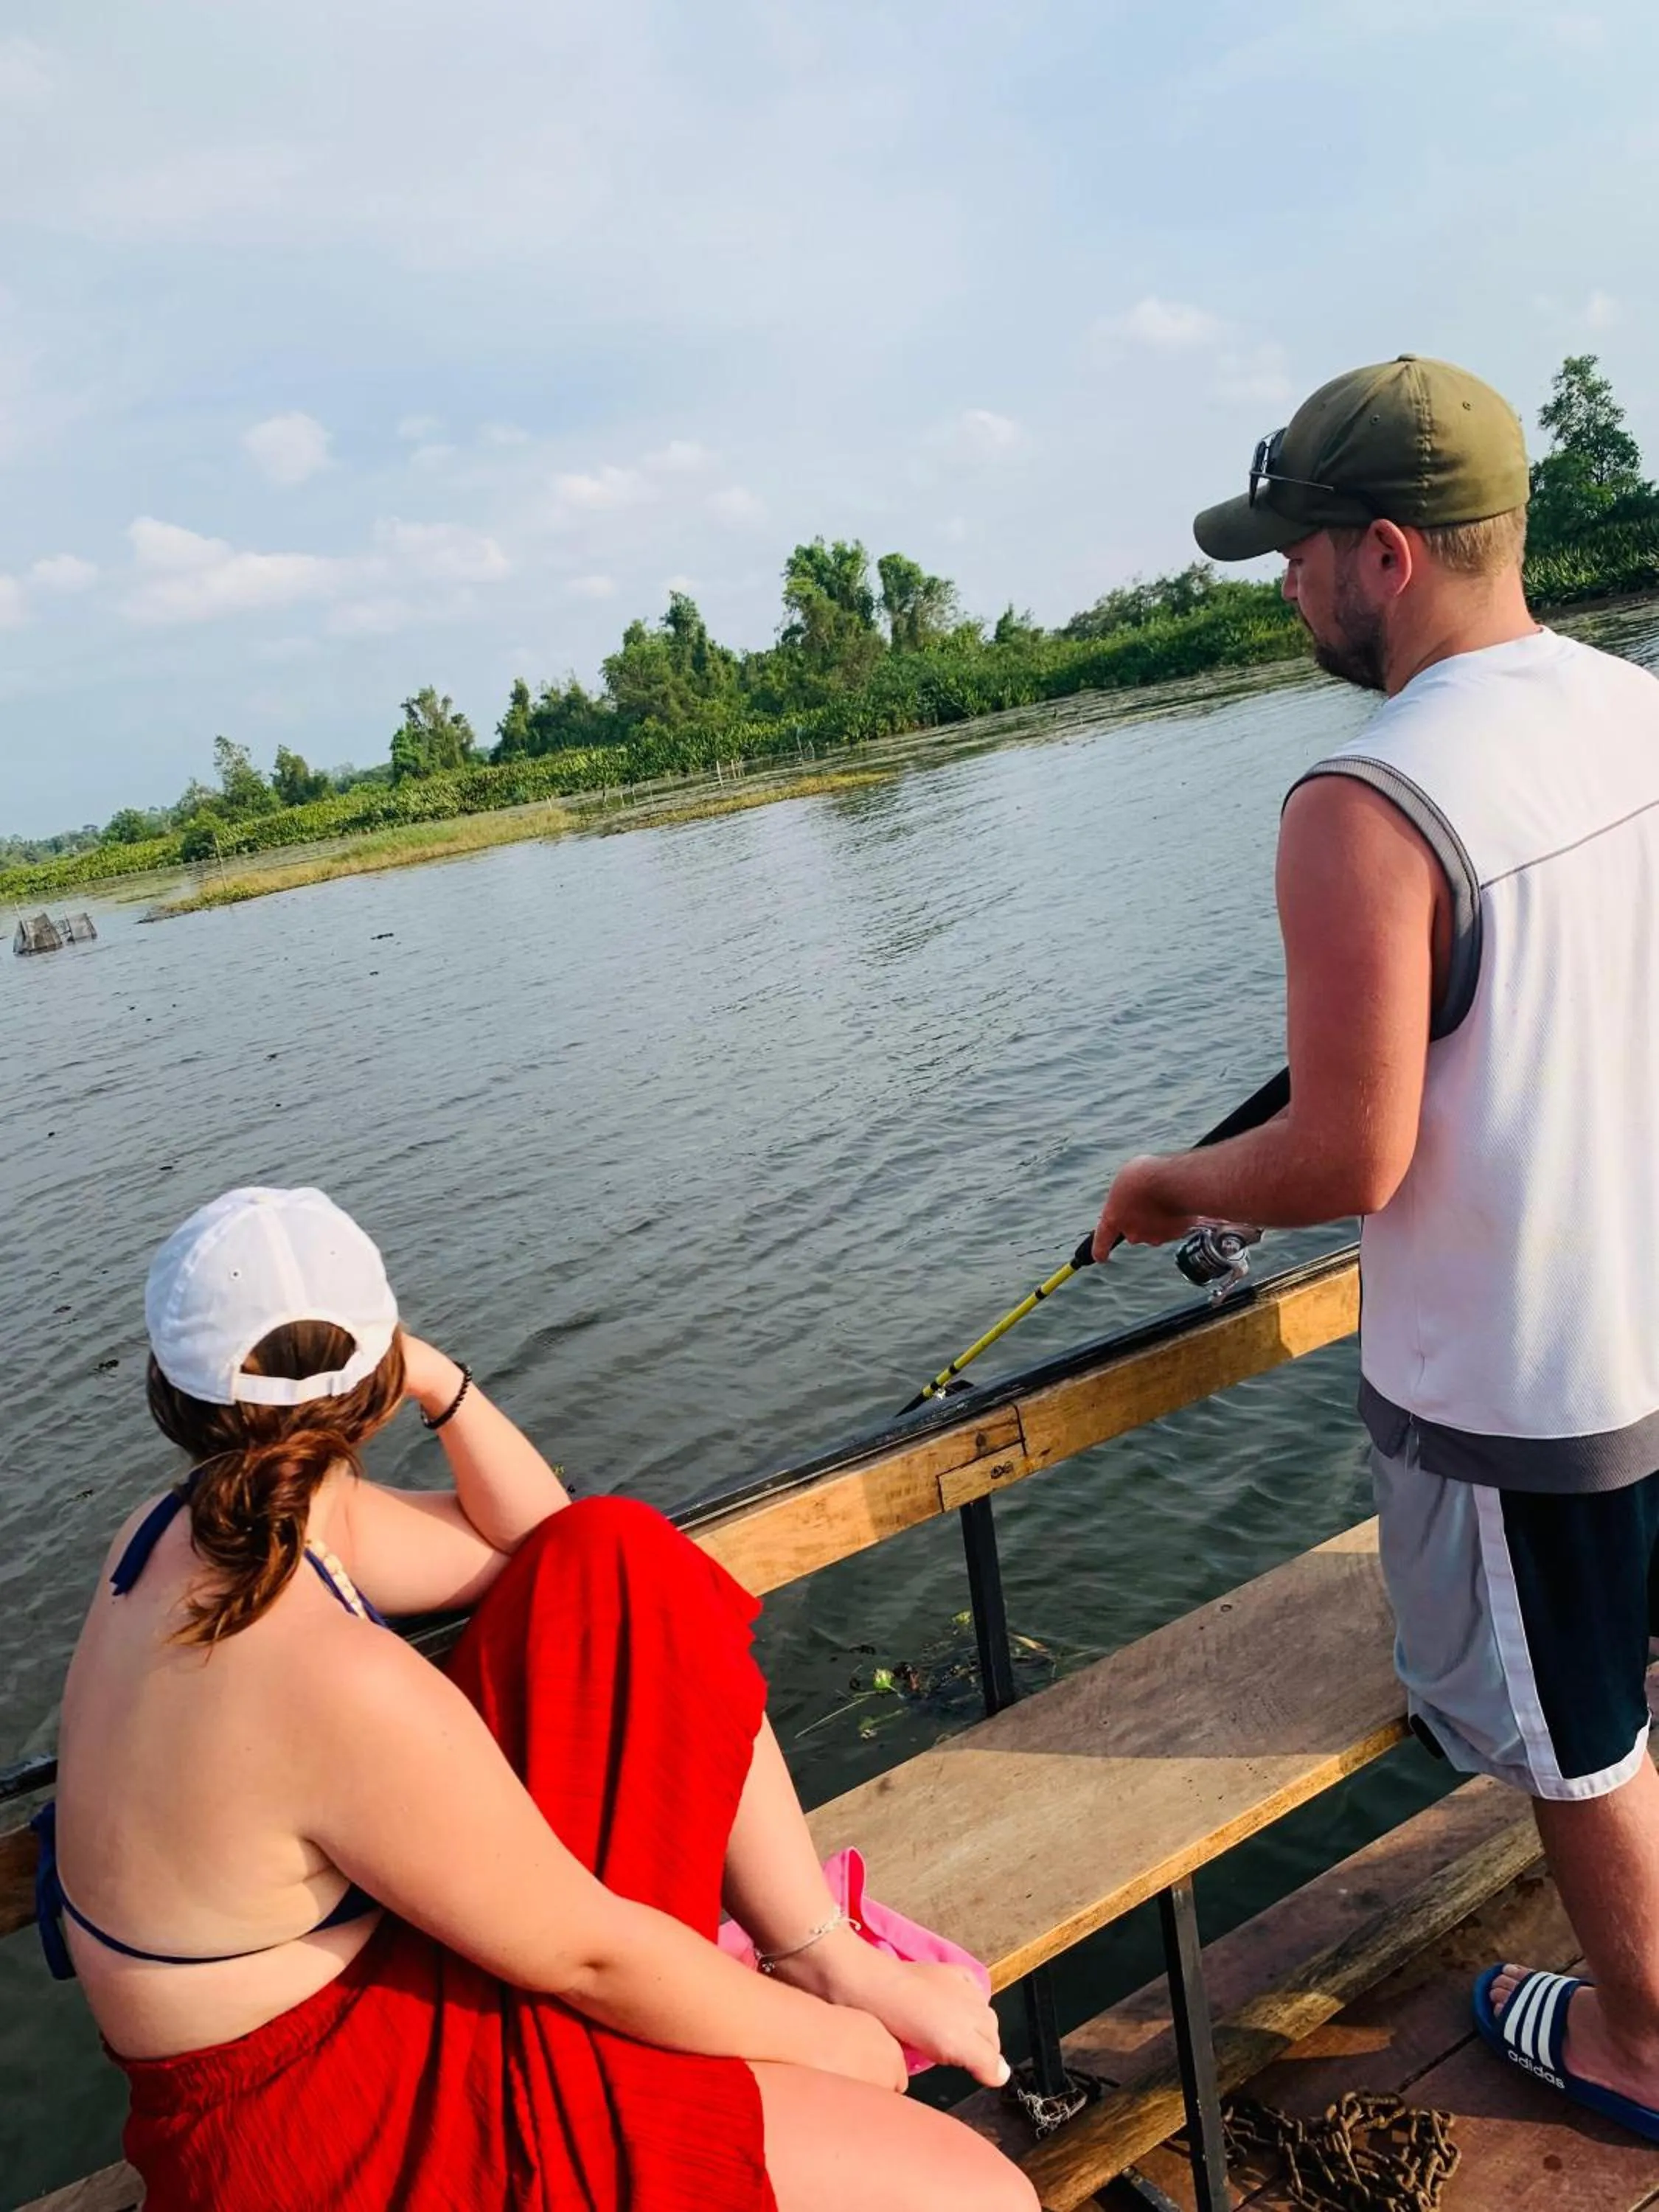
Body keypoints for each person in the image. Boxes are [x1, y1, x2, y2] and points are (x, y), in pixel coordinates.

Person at [41, 1185, 1036, 2212]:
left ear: (167, 1390)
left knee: (621, 1554)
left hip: (322, 2032)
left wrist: (437, 1383)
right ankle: (813, 1997)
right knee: (983, 2199)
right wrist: (846, 2049)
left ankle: (817, 1952)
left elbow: (547, 1540)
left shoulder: (176, 1533)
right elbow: (591, 1957)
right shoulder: (333, 1676)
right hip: (332, 2139)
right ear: (378, 1378)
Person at [1091, 355, 1659, 2141]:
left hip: (1537, 1382)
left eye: (1301, 549)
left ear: (1390, 555)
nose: (1287, 584)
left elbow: (1348, 1153)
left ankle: (1644, 2046)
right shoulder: (1635, 711)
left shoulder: (1366, 799)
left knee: (1577, 1728)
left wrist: (1171, 1183)